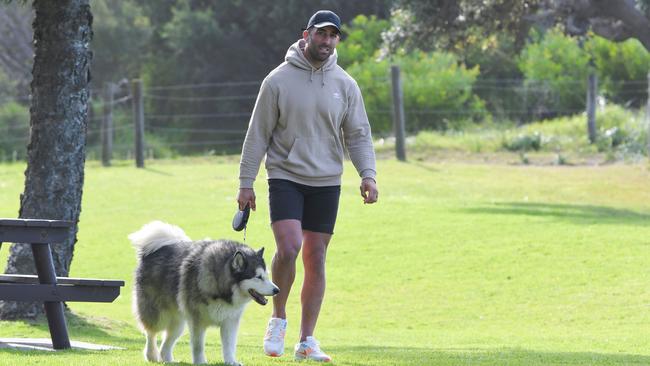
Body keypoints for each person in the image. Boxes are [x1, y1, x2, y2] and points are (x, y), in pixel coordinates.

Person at [236, 9, 378, 362]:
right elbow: (257, 135)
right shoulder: (277, 80)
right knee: (288, 247)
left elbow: (358, 134)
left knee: (316, 256)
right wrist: (246, 182)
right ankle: (278, 319)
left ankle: (306, 340)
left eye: (333, 35)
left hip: (327, 181)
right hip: (285, 175)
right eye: (321, 34)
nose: (326, 41)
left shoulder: (345, 84)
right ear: (307, 35)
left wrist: (368, 174)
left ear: (337, 40)